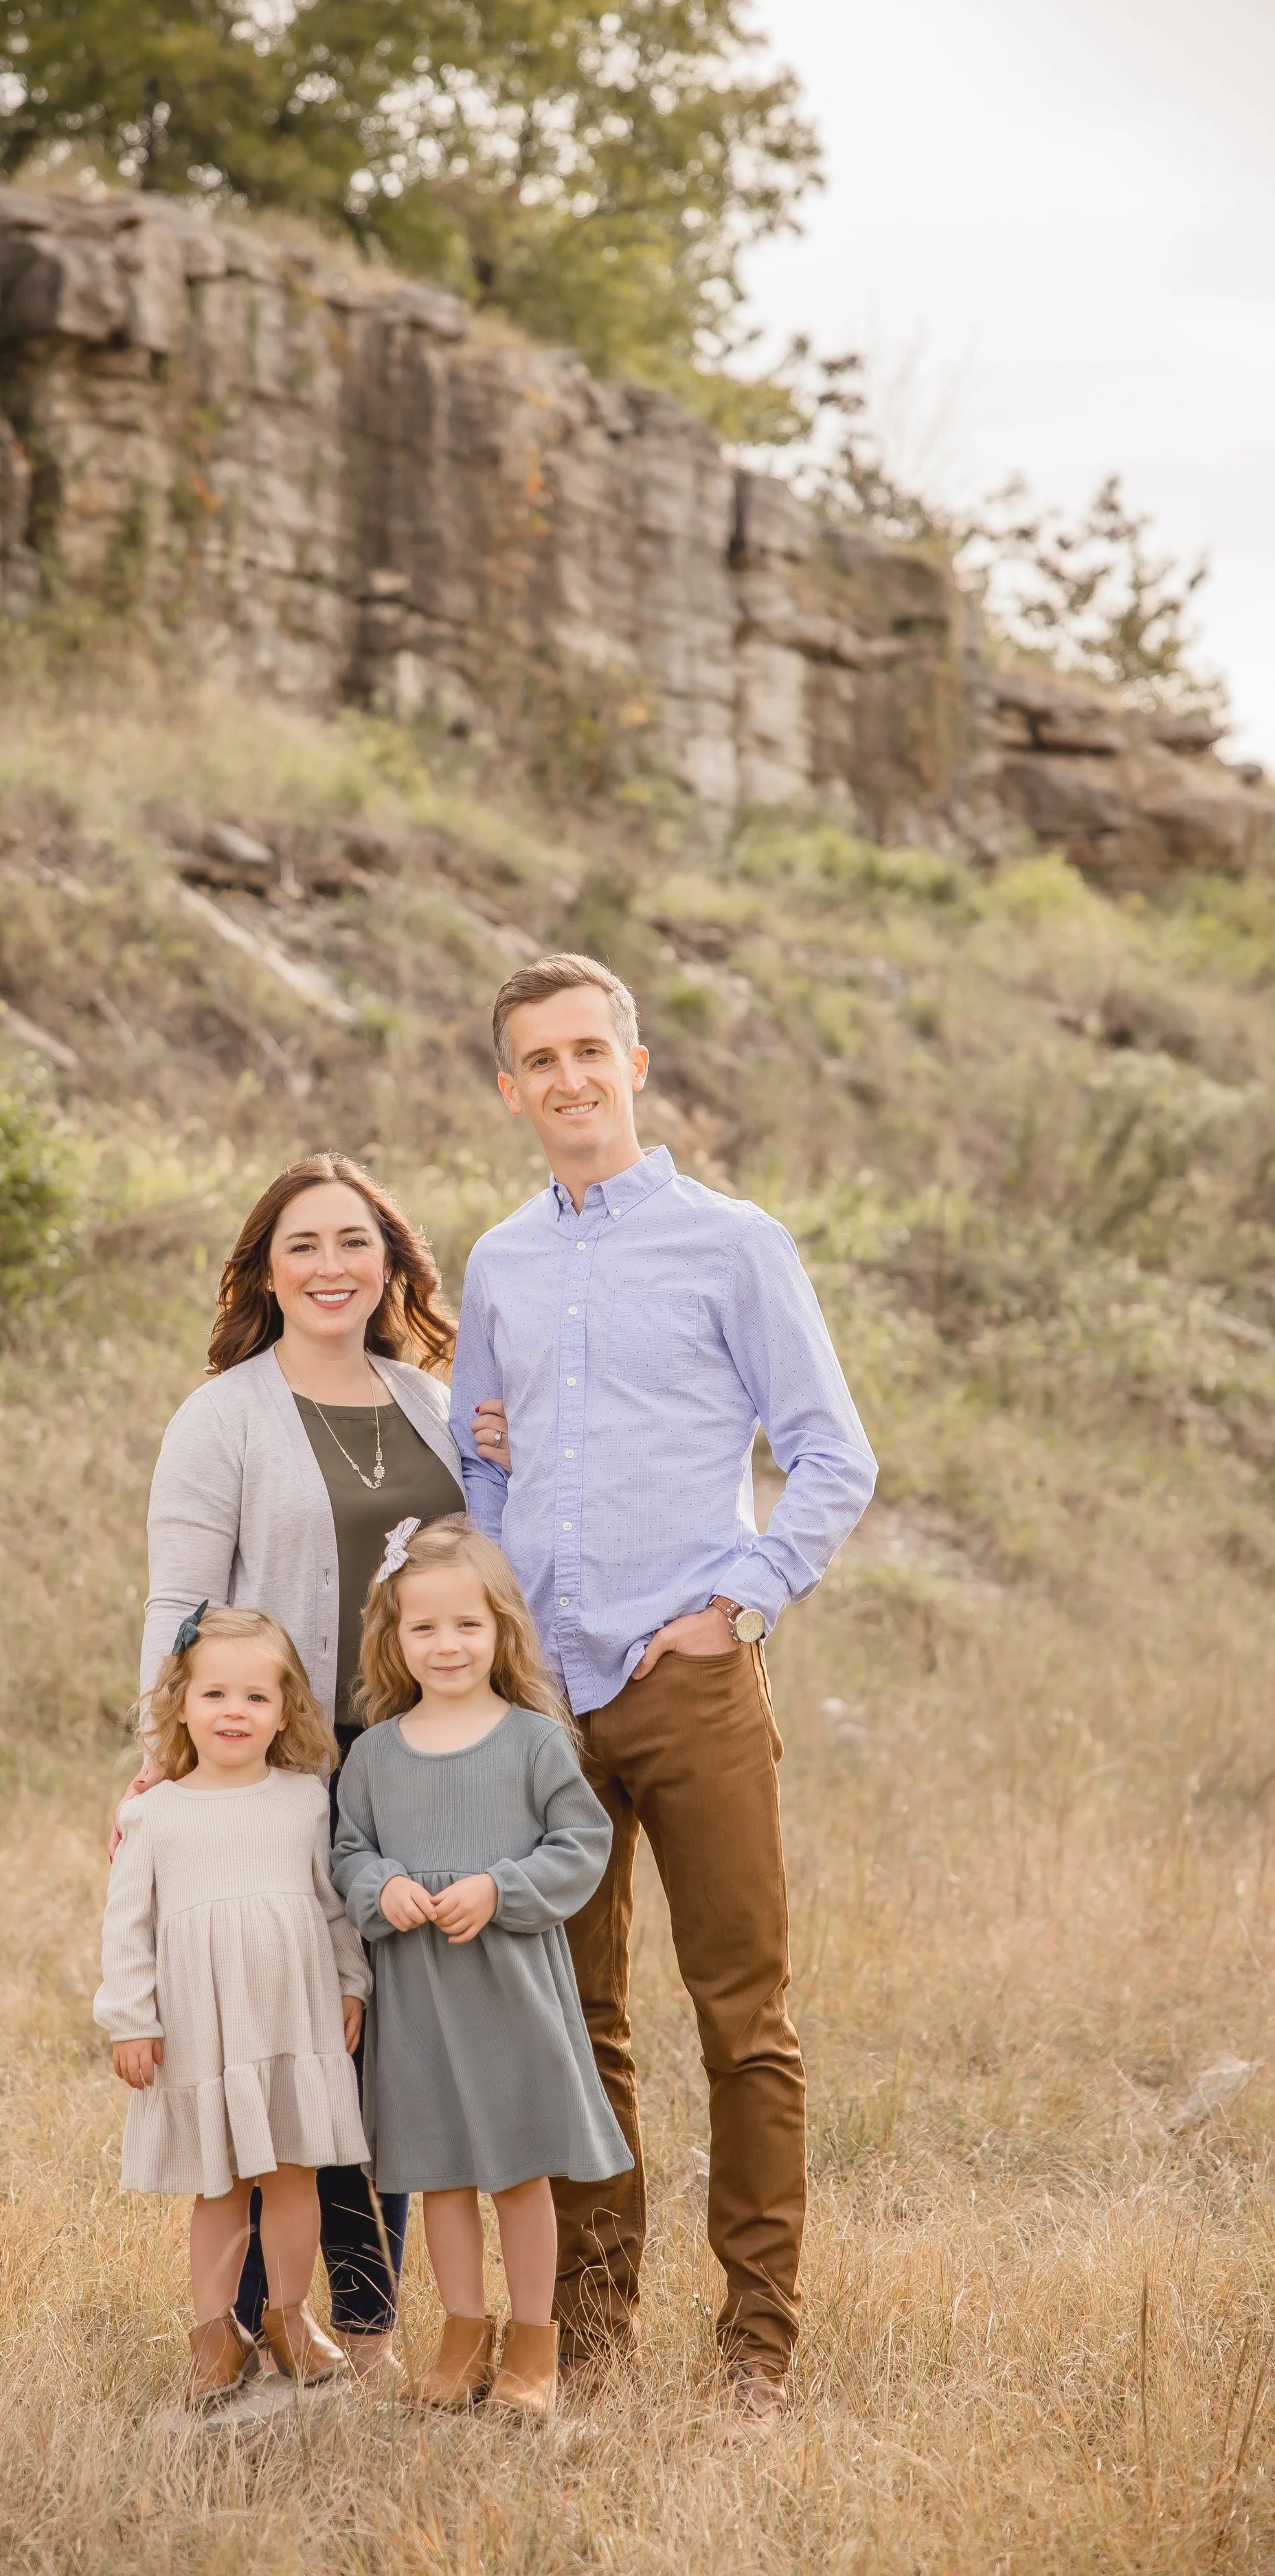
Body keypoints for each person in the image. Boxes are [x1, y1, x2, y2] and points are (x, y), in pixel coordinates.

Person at [450, 953, 877, 2422]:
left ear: (633, 1065)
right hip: (546, 1701)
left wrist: (735, 1606)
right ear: (509, 1091)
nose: (566, 1078)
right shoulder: (497, 1263)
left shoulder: (730, 1243)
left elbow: (833, 1455)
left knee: (740, 2017)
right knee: (574, 2021)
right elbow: (478, 1474)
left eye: (588, 1050)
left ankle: (755, 2348)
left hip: (686, 1683)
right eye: (537, 1060)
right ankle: (589, 2328)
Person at [122, 1153, 503, 2374]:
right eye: (304, 1245)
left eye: (354, 1242)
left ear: (390, 1261)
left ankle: (369, 2321)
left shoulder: (433, 1403)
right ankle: (249, 2324)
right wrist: (158, 1760)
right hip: (280, 1778)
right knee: (288, 2051)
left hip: (422, 1771)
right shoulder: (222, 1415)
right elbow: (178, 1604)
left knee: (384, 2054)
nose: (332, 1267)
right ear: (267, 1270)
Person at [331, 1516, 630, 2422]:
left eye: (467, 1624)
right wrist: (379, 1886)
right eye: (423, 1627)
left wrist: (501, 1888)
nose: (447, 1644)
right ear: (393, 1638)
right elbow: (347, 1853)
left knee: (517, 2173)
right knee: (443, 2173)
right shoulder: (375, 1754)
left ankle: (533, 2345)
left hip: (509, 1994)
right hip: (420, 2000)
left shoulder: (533, 1740)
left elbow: (584, 1843)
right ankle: (464, 2333)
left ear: (502, 1627)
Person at [96, 1604, 372, 2408]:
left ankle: (289, 2317)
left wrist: (351, 1984)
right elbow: (128, 1927)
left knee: (294, 2178)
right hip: (200, 2030)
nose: (234, 1713)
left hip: (291, 2020)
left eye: (256, 1697)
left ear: (286, 1710)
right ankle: (216, 2332)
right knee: (218, 2189)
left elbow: (330, 1909)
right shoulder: (153, 1813)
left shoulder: (301, 1802)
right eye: (215, 1694)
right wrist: (131, 2019)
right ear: (180, 1703)